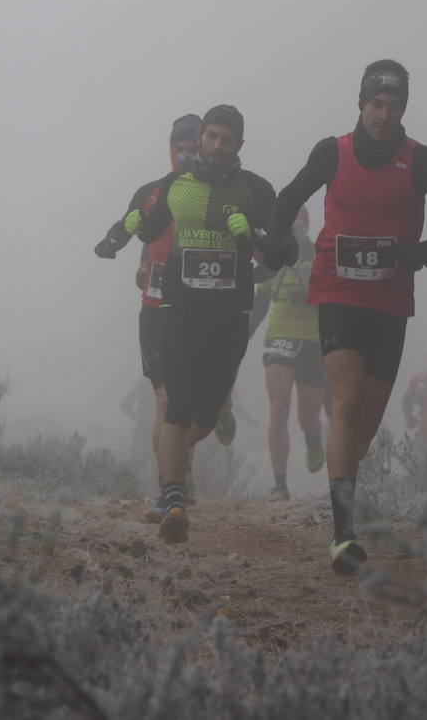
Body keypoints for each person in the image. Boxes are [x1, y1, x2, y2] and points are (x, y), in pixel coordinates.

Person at [264, 59, 427, 573]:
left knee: (364, 424)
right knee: (347, 398)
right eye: (376, 104)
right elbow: (289, 196)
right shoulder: (331, 152)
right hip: (336, 290)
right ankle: (343, 534)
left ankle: (343, 492)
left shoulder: (419, 160)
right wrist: (276, 244)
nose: (384, 115)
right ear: (361, 103)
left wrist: (419, 253)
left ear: (404, 108)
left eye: (394, 106)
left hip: (388, 300)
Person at [132, 104, 287, 543]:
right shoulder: (175, 184)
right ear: (202, 136)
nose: (217, 146)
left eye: (227, 139)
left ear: (239, 144)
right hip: (180, 310)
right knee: (174, 405)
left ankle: (189, 454)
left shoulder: (255, 190)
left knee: (203, 416)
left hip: (230, 314)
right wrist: (132, 226)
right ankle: (174, 498)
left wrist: (254, 237)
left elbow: (282, 255)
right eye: (212, 136)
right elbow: (150, 231)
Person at [95, 113, 202, 520]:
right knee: (163, 398)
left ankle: (181, 471)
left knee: (188, 405)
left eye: (194, 150)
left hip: (200, 307)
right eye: (181, 150)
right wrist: (110, 242)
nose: (187, 157)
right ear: (171, 150)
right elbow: (129, 224)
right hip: (156, 307)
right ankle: (168, 486)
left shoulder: (214, 191)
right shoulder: (153, 191)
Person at [261, 207, 326, 501]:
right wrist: (241, 336)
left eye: (299, 221)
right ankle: (280, 483)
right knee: (278, 406)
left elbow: (334, 296)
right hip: (280, 334)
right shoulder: (273, 254)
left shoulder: (319, 252)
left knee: (308, 418)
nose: (294, 228)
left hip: (312, 339)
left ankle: (313, 439)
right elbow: (261, 298)